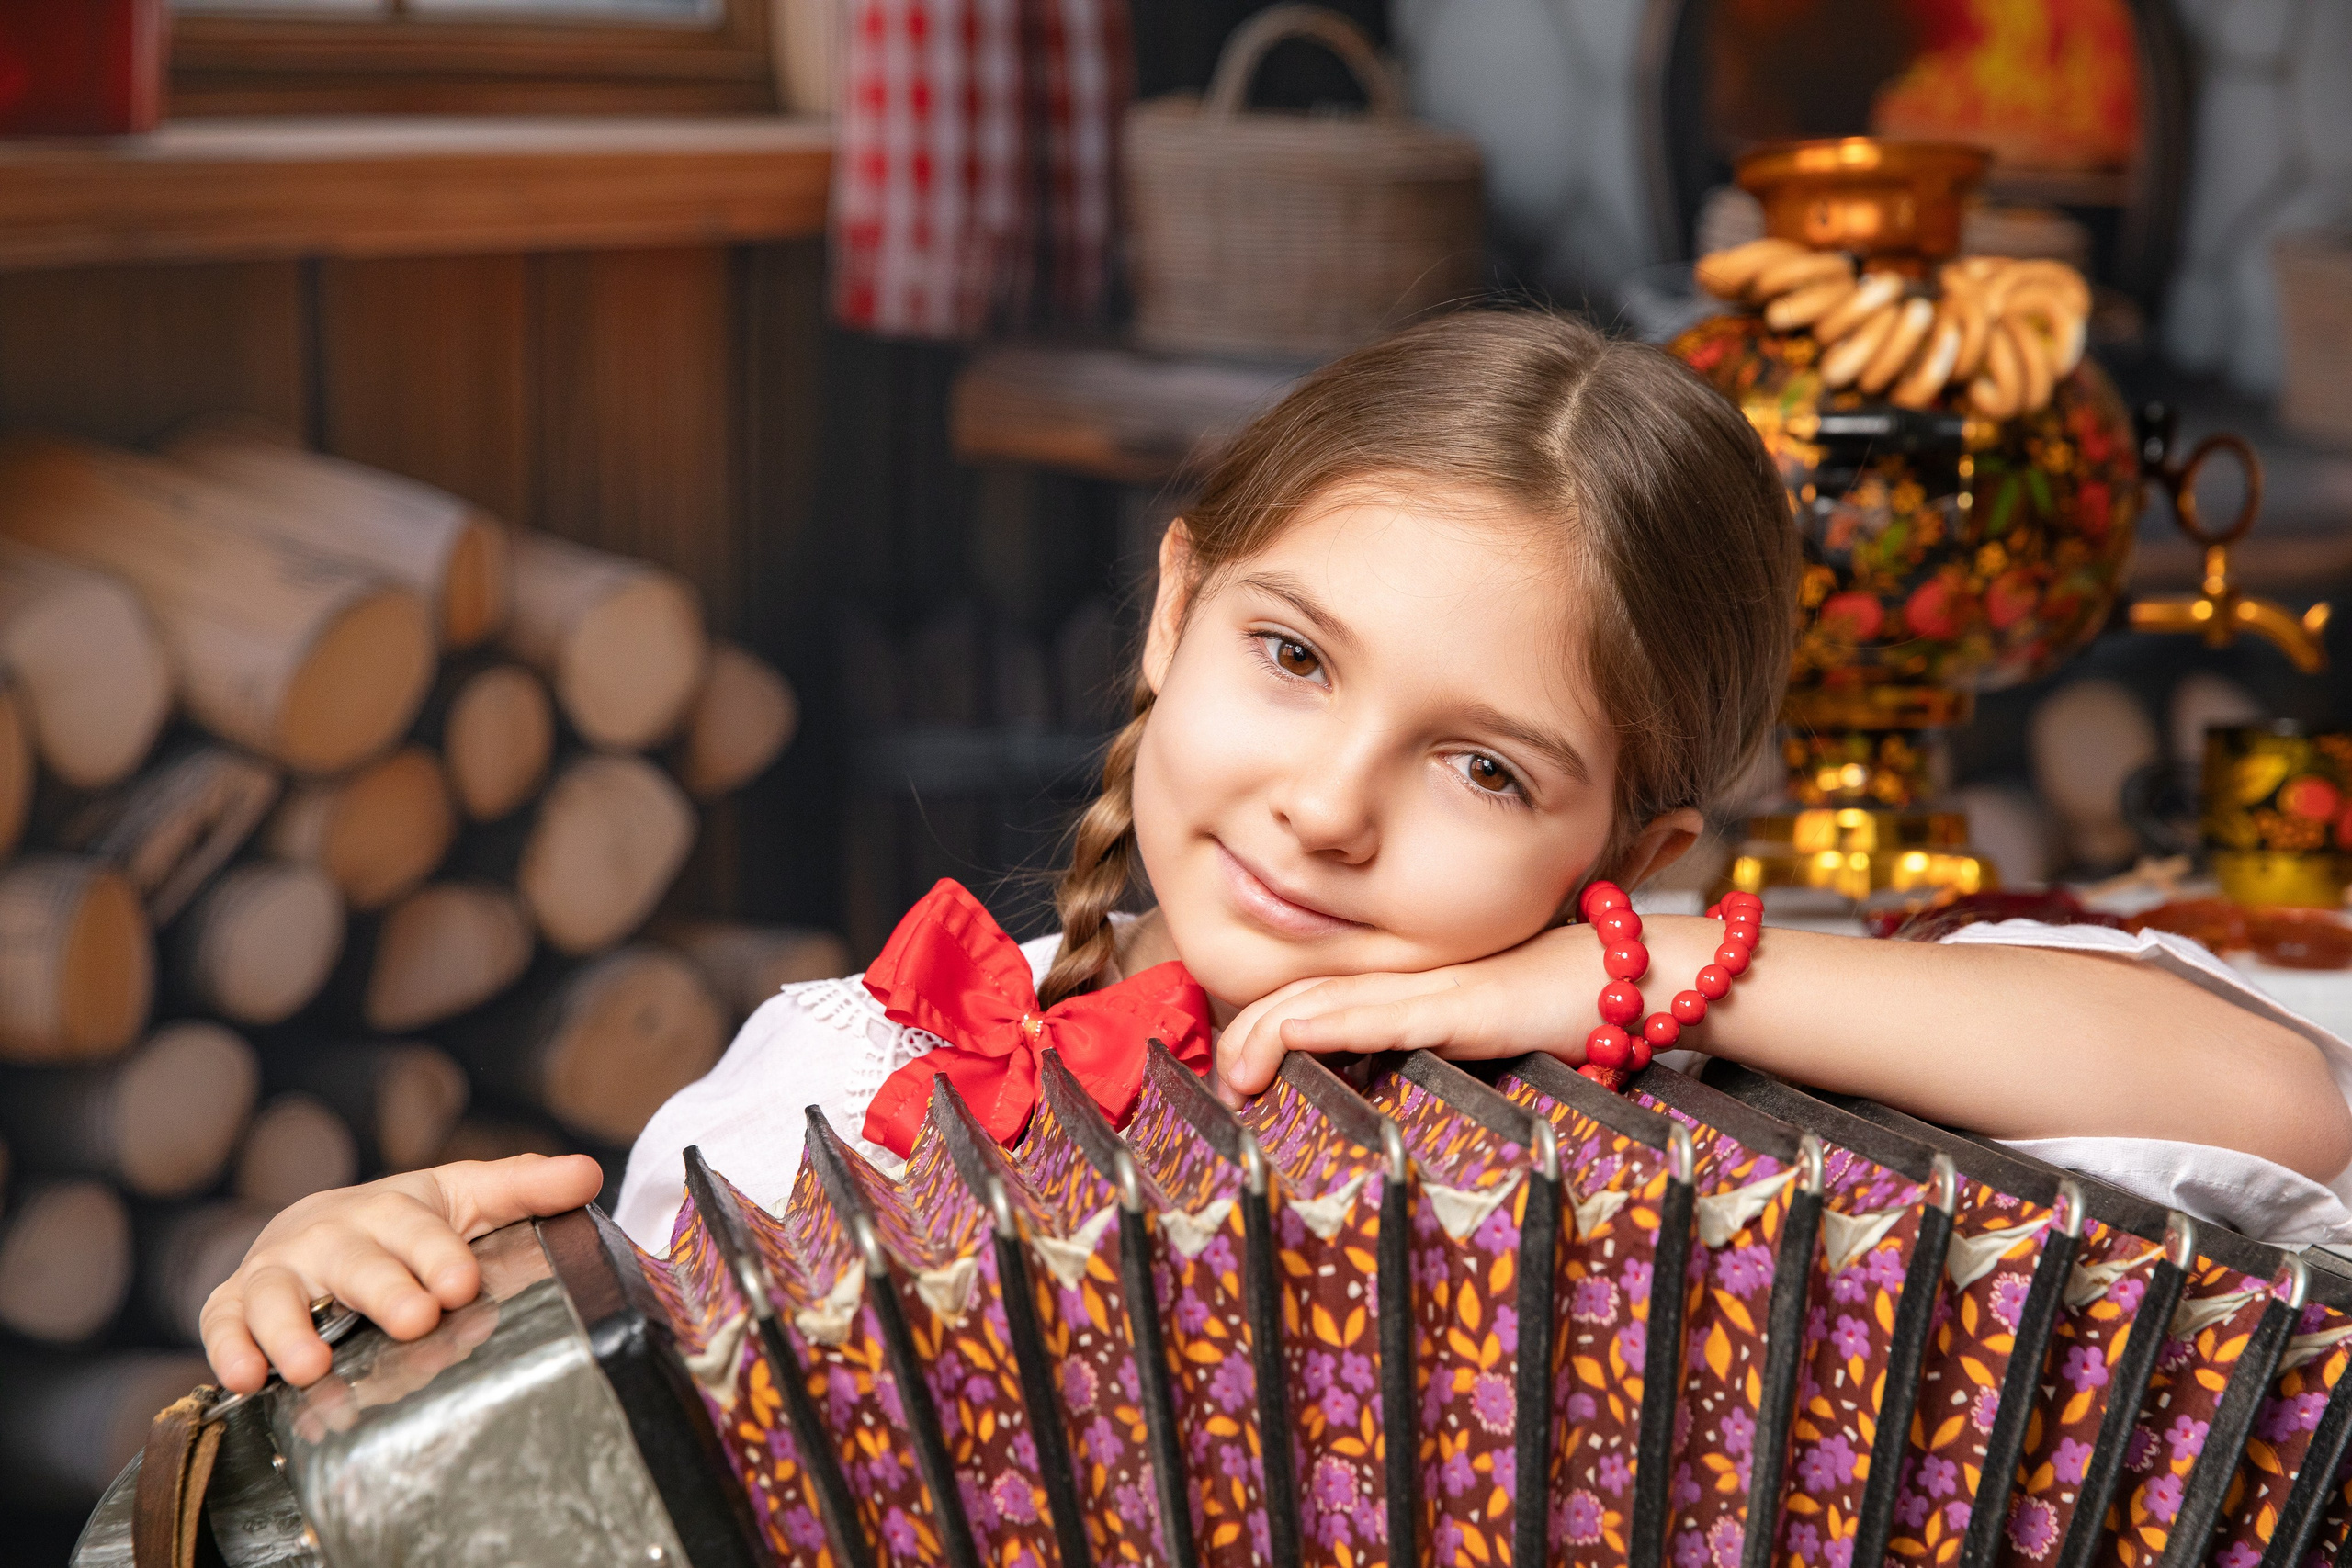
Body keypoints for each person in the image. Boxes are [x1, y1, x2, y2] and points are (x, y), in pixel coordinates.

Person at [198, 310, 2352, 1396]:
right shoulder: (839, 1083)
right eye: (1292, 655)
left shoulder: (1700, 1123)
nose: (1331, 800)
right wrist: (375, 1316)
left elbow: (2278, 1105)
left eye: (1486, 770)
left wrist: (1612, 978)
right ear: (1168, 611)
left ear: (1640, 835)